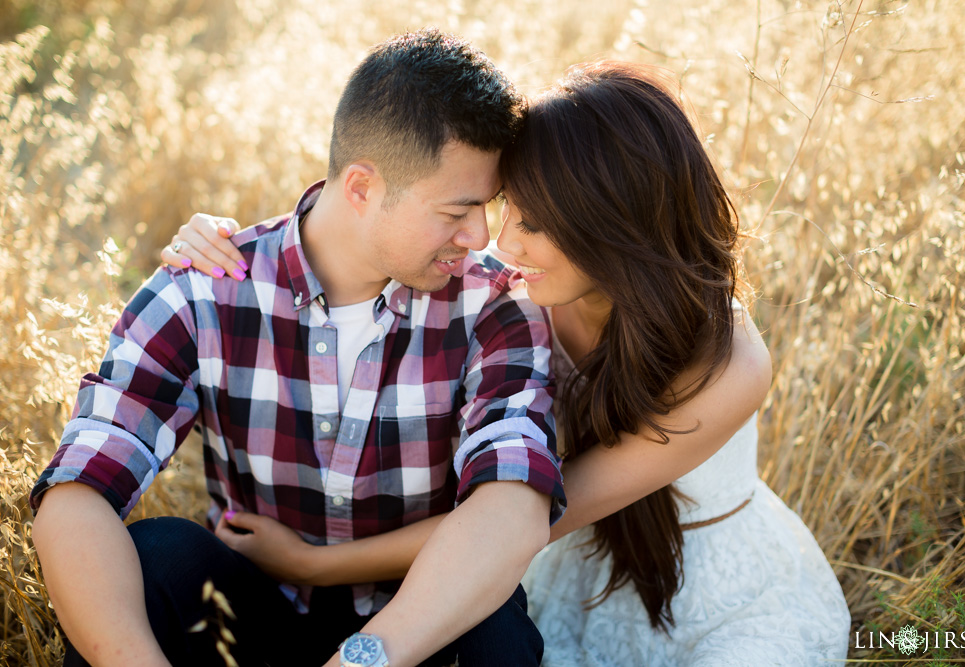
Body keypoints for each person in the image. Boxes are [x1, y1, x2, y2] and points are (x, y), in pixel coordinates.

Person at [168, 60, 852, 665]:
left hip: (718, 595)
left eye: (533, 222)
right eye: (505, 211)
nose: (501, 243)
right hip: (580, 577)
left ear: (613, 225)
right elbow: (365, 227)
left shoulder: (731, 360)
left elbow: (534, 517)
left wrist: (317, 563)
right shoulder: (518, 303)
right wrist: (225, 241)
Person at [30, 29, 567, 667]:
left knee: (497, 635)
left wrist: (362, 661)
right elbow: (79, 490)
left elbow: (512, 506)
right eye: (457, 211)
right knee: (159, 559)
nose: (480, 235)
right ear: (363, 188)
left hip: (410, 626)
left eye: (488, 205)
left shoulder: (495, 307)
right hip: (250, 620)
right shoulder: (202, 291)